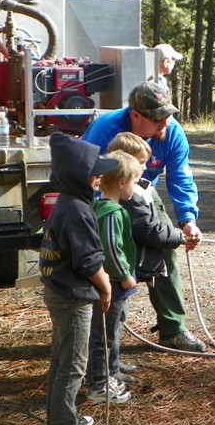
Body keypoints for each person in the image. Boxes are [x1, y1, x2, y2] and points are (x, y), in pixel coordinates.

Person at [82, 81, 207, 352]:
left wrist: (187, 221)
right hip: (105, 197)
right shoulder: (105, 130)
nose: (164, 122)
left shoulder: (172, 133)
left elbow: (181, 179)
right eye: (157, 117)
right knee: (107, 259)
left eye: (168, 115)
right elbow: (84, 174)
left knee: (164, 245)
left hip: (143, 191)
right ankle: (96, 340)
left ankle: (172, 329)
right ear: (136, 115)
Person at [40, 132, 119, 425]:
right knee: (73, 365)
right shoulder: (77, 211)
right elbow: (88, 262)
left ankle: (61, 416)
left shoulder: (68, 203)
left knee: (61, 360)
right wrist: (106, 286)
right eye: (94, 171)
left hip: (59, 293)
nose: (100, 176)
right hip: (73, 298)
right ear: (78, 176)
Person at [106, 132, 197, 371]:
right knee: (112, 319)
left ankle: (112, 364)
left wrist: (186, 223)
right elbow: (147, 229)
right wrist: (178, 236)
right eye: (141, 163)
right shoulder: (127, 197)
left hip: (130, 268)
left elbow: (180, 179)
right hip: (121, 272)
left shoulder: (140, 188)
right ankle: (105, 371)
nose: (147, 168)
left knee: (118, 316)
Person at [86, 150, 143, 405]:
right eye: (134, 181)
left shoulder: (103, 207)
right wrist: (124, 276)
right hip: (114, 284)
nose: (136, 186)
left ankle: (109, 372)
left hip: (113, 284)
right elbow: (110, 247)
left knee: (110, 331)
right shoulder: (111, 212)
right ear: (121, 183)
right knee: (103, 336)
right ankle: (98, 384)